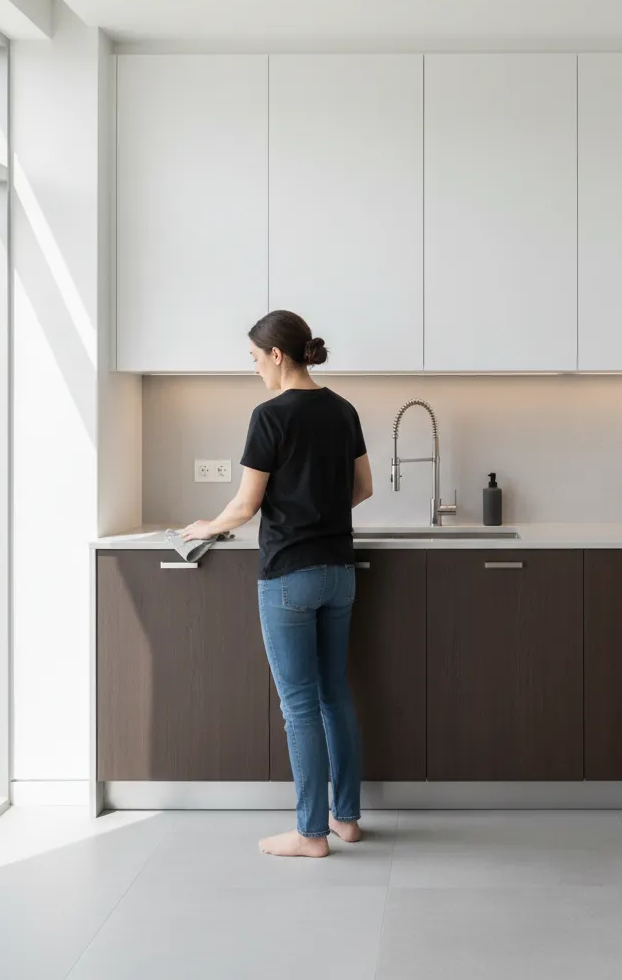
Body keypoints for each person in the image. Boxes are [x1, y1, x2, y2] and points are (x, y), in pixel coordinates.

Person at [181, 310, 373, 859]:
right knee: (335, 694)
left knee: (299, 706)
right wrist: (322, 511)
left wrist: (206, 526)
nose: (255, 369)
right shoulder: (344, 410)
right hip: (339, 571)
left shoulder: (269, 416)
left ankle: (311, 834)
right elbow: (362, 488)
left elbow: (245, 505)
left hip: (290, 574)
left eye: (254, 359)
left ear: (277, 356)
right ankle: (348, 820)